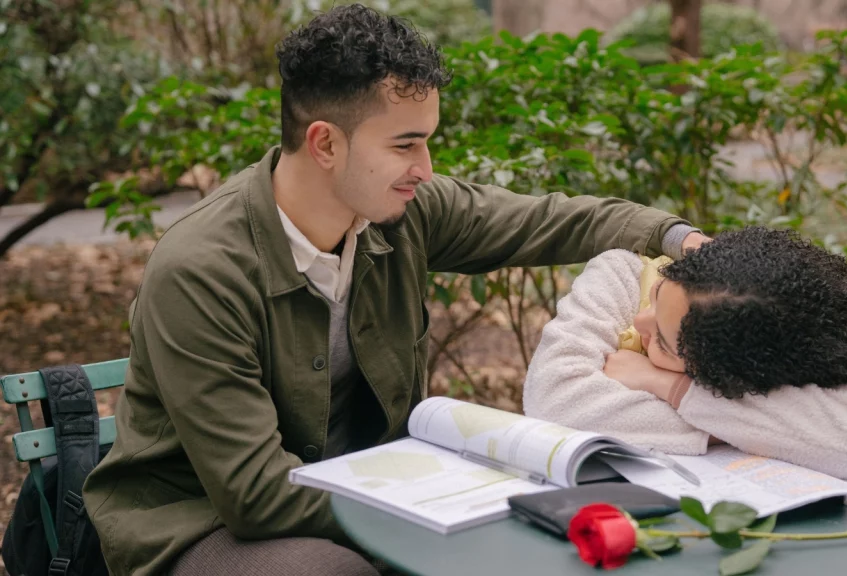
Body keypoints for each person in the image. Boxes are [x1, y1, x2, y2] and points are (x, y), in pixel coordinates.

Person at [80, 4, 711, 576]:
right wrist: (449, 508)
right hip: (195, 527)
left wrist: (679, 239)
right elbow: (256, 497)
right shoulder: (202, 271)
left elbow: (547, 219)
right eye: (405, 144)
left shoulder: (399, 215)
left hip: (363, 491)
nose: (427, 169)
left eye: (427, 141)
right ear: (325, 142)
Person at [523, 226, 847, 480]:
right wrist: (764, 429)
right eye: (659, 292)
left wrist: (668, 387)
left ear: (735, 375)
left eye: (662, 342)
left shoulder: (793, 337)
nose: (641, 321)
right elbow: (552, 398)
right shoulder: (622, 277)